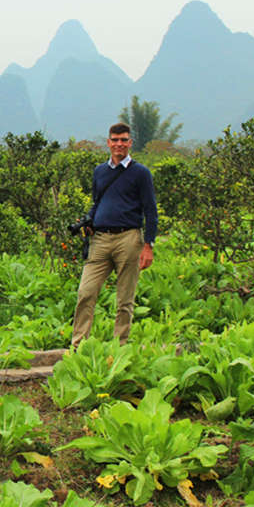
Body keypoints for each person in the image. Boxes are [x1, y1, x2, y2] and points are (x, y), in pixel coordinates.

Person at [71, 122, 157, 347]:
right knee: (85, 292)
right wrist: (89, 220)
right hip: (100, 239)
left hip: (128, 239)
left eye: (124, 140)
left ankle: (120, 346)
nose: (119, 144)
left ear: (130, 143)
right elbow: (97, 202)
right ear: (108, 143)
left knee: (125, 299)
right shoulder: (100, 171)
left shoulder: (141, 173)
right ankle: (79, 345)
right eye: (115, 140)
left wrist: (148, 245)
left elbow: (151, 210)